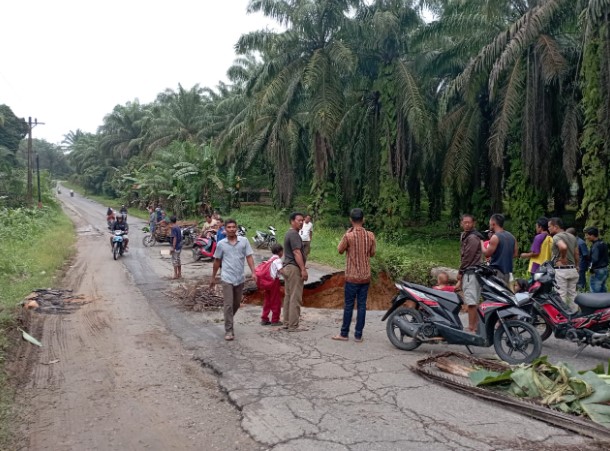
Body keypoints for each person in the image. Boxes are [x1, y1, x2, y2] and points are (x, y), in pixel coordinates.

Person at [332, 208, 376, 343]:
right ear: (363, 220)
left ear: (351, 220)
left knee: (349, 305)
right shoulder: (371, 235)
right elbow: (372, 253)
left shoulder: (348, 236)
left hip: (352, 276)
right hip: (365, 276)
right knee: (362, 305)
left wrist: (346, 233)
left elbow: (339, 250)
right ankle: (358, 335)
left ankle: (344, 334)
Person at [210, 219, 257, 341]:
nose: (231, 229)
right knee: (228, 304)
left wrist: (253, 272)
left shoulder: (244, 241)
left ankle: (228, 318)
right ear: (225, 229)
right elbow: (217, 261)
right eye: (229, 227)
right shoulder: (221, 244)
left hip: (239, 278)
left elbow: (249, 257)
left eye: (233, 227)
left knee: (236, 304)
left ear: (236, 228)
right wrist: (213, 277)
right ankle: (229, 330)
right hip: (226, 278)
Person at [455, 214, 484, 333]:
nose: (467, 224)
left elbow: (468, 257)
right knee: (471, 301)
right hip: (468, 271)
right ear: (461, 223)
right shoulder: (465, 235)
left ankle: (472, 327)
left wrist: (460, 272)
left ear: (474, 224)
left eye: (469, 222)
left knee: (471, 302)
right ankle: (474, 326)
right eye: (465, 222)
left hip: (471, 272)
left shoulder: (473, 238)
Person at [282, 212, 308, 332]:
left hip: (287, 267)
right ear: (292, 221)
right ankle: (293, 325)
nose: (301, 222)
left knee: (288, 296)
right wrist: (303, 269)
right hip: (293, 268)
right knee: (295, 297)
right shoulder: (294, 234)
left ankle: (287, 323)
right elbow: (297, 252)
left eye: (302, 220)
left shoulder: (289, 233)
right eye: (299, 220)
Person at [548, 217, 579, 304]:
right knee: (573, 295)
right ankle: (576, 314)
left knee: (560, 295)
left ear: (556, 227)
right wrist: (577, 266)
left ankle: (562, 316)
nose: (548, 228)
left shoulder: (556, 237)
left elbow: (563, 247)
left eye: (549, 226)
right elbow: (576, 253)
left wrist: (563, 258)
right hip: (572, 269)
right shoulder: (572, 237)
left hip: (561, 270)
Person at [484, 213, 518, 286]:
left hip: (497, 272)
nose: (489, 226)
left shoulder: (495, 237)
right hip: (508, 272)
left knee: (495, 294)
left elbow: (487, 254)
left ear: (493, 224)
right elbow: (515, 254)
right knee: (505, 294)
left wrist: (480, 243)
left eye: (490, 224)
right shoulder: (512, 237)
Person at [260, 244, 284, 326]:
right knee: (276, 301)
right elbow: (281, 271)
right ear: (280, 252)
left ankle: (264, 318)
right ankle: (275, 320)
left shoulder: (270, 259)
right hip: (274, 282)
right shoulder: (278, 260)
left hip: (267, 281)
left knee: (267, 300)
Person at [585, 227, 608, 293]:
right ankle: (605, 303)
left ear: (592, 235)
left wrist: (590, 267)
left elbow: (594, 259)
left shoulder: (596, 245)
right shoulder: (603, 243)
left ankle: (596, 303)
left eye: (588, 235)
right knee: (602, 289)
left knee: (595, 290)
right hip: (604, 269)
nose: (587, 237)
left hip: (597, 270)